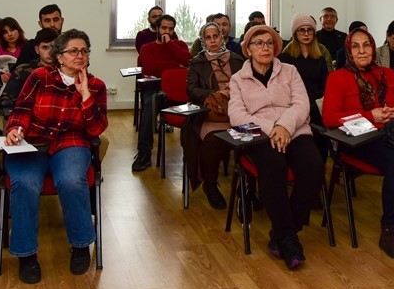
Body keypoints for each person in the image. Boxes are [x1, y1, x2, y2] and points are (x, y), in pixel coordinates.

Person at [4, 29, 107, 282]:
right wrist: (16, 129)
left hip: (71, 142)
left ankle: (81, 245)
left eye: (84, 51)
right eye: (73, 51)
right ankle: (26, 255)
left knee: (71, 180)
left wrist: (84, 96)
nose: (80, 55)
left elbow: (96, 129)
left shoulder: (96, 85)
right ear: (59, 56)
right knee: (25, 183)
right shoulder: (40, 77)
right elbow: (22, 108)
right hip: (34, 141)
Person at [323, 27, 394, 261]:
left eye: (366, 45)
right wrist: (369, 116)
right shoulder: (338, 77)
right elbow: (330, 118)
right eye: (356, 46)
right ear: (349, 51)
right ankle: (391, 230)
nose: (362, 50)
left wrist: (393, 112)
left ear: (373, 49)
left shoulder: (389, 75)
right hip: (362, 138)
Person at [228, 24, 323, 270]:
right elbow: (237, 115)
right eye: (258, 43)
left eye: (269, 43)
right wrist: (272, 128)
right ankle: (289, 239)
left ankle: (281, 232)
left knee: (313, 167)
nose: (265, 47)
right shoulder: (238, 79)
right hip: (260, 135)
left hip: (296, 130)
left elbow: (302, 104)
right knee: (274, 166)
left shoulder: (290, 71)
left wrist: (284, 126)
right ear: (248, 49)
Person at [185, 21, 246, 209]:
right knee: (212, 142)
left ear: (222, 37)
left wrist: (233, 93)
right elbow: (191, 89)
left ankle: (245, 189)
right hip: (213, 114)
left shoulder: (238, 59)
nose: (212, 41)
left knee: (253, 141)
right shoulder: (197, 62)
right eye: (208, 38)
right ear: (203, 40)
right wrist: (215, 95)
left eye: (216, 36)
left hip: (240, 111)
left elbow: (250, 85)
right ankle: (210, 185)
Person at [133, 14, 190, 172]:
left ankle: (194, 153)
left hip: (178, 88)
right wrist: (175, 65)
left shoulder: (179, 45)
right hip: (156, 87)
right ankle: (144, 154)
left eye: (171, 29)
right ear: (157, 28)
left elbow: (187, 61)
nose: (167, 31)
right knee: (149, 105)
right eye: (164, 28)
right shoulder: (147, 48)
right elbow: (150, 66)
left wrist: (170, 45)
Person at [278, 14, 332, 160]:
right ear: (295, 33)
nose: (306, 34)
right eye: (302, 30)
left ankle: (320, 170)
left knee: (322, 136)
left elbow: (325, 85)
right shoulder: (285, 57)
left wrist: (312, 101)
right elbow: (282, 88)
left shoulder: (319, 57)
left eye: (310, 30)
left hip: (314, 104)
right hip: (293, 105)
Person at [0, 28, 59, 114]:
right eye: (45, 47)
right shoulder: (22, 71)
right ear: (37, 50)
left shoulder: (65, 71)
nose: (50, 52)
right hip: (27, 116)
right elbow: (5, 101)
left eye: (54, 47)